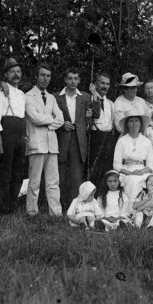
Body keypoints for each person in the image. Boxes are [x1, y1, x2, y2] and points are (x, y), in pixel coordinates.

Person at [56, 68, 99, 213]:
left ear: (79, 80)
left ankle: (75, 208)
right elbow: (51, 117)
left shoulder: (85, 97)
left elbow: (96, 114)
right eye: (70, 78)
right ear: (65, 80)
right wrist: (61, 124)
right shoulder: (57, 97)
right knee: (60, 176)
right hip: (61, 139)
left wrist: (94, 97)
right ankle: (59, 207)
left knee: (76, 177)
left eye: (76, 78)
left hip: (78, 141)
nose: (73, 81)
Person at [25, 62, 65, 216]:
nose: (45, 79)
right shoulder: (28, 96)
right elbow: (34, 118)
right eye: (42, 75)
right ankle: (32, 212)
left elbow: (60, 119)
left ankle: (56, 213)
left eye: (48, 76)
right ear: (36, 76)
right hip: (36, 143)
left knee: (53, 181)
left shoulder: (51, 98)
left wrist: (47, 124)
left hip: (52, 144)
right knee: (34, 181)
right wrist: (51, 118)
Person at [0, 57, 27, 214]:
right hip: (6, 132)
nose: (16, 74)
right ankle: (2, 206)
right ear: (5, 75)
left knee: (18, 171)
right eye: (12, 71)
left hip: (19, 134)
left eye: (18, 71)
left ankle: (13, 204)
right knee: (5, 170)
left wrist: (24, 137)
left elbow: (23, 117)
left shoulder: (22, 94)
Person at [113, 112, 153, 197]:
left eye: (136, 121)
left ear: (140, 124)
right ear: (127, 125)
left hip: (142, 170)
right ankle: (131, 208)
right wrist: (129, 173)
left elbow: (151, 164)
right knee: (133, 180)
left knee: (151, 181)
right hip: (126, 170)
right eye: (131, 121)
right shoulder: (121, 141)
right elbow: (116, 164)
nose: (134, 124)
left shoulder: (147, 141)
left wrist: (141, 172)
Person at [86, 72, 116, 186]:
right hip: (94, 137)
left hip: (108, 138)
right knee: (93, 169)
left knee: (106, 169)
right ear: (95, 84)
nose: (105, 86)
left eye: (107, 84)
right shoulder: (89, 100)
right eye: (102, 83)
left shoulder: (111, 103)